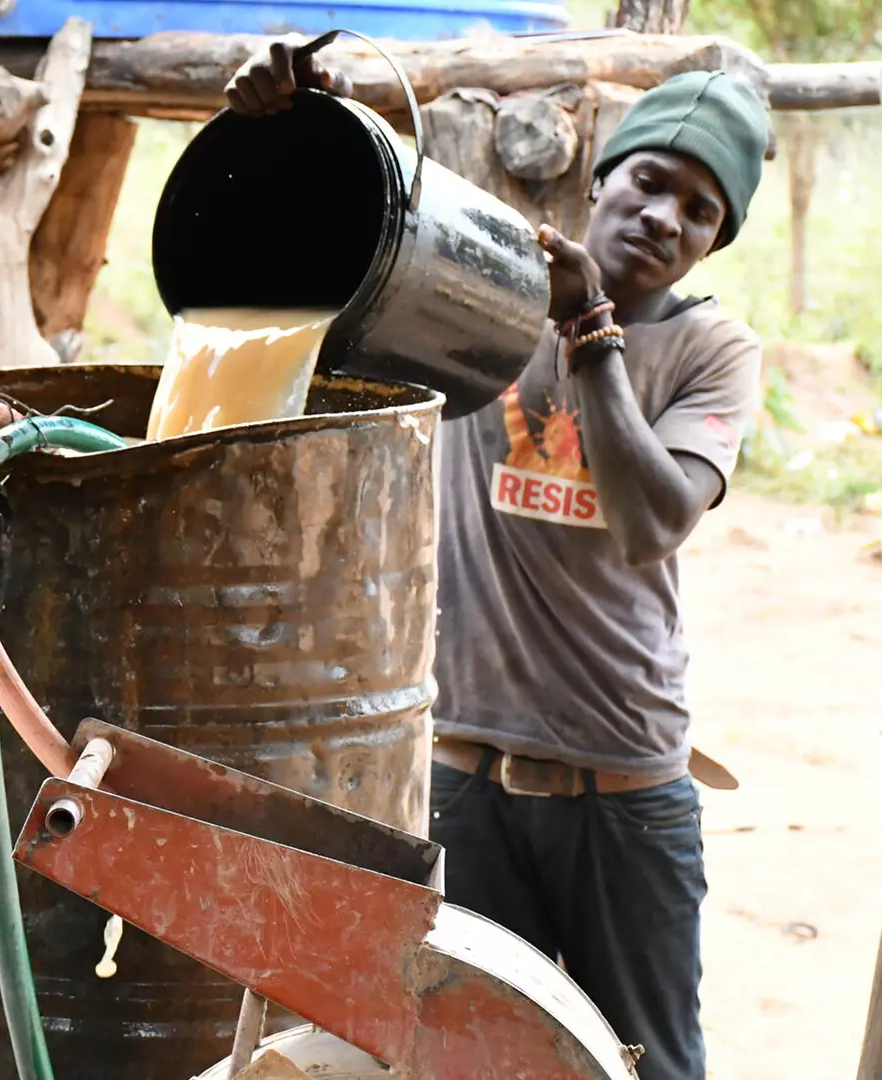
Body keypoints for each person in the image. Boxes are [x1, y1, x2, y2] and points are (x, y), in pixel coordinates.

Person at [226, 48, 769, 1080]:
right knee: (462, 1061)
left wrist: (589, 331)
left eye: (700, 212)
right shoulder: (493, 294)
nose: (664, 217)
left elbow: (653, 520)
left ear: (711, 244)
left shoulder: (710, 352)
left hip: (621, 785)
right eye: (652, 182)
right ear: (604, 175)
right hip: (464, 776)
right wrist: (298, 125)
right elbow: (365, 254)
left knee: (645, 1063)